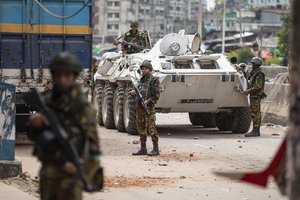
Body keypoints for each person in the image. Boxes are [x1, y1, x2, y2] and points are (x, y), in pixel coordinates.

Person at [28, 52, 101, 200]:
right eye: (58, 75)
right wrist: (34, 123)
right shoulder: (48, 101)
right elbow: (33, 135)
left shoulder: (82, 107)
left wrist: (82, 167)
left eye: (67, 75)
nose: (62, 80)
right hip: (48, 174)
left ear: (74, 76)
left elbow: (93, 148)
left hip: (70, 178)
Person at [131, 60, 160, 156]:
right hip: (140, 108)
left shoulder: (154, 80)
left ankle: (156, 149)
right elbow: (136, 93)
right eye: (142, 69)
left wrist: (148, 101)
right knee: (140, 127)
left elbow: (157, 95)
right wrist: (133, 93)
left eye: (146, 69)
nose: (144, 70)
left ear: (150, 69)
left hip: (149, 108)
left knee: (151, 127)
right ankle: (143, 149)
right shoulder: (140, 80)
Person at [244, 57, 266, 137]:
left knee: (256, 113)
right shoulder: (254, 72)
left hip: (256, 96)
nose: (251, 65)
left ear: (256, 64)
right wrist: (242, 70)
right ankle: (255, 130)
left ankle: (256, 131)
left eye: (253, 63)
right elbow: (248, 76)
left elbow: (258, 86)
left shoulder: (259, 74)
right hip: (254, 96)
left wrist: (248, 91)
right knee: (254, 112)